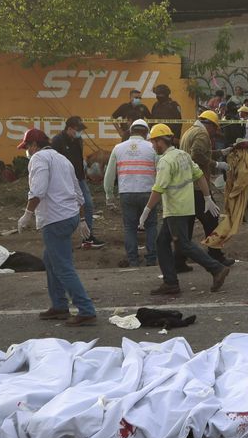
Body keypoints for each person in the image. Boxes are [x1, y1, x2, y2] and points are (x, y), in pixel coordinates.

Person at [16, 128, 96, 326]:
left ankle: (86, 309)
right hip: (68, 217)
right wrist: (83, 219)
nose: (27, 151)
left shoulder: (39, 159)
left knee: (62, 266)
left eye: (27, 147)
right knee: (50, 260)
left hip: (55, 218)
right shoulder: (62, 159)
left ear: (34, 145)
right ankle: (59, 305)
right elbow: (79, 193)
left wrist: (27, 214)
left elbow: (38, 190)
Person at [142, 123, 230, 295]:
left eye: (153, 142)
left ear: (161, 141)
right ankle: (171, 282)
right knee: (162, 243)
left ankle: (216, 268)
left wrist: (146, 211)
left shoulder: (165, 161)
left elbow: (158, 189)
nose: (153, 146)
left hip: (176, 209)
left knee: (183, 244)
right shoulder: (183, 155)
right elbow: (199, 176)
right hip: (182, 207)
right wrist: (206, 197)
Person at [103, 118, 159, 267]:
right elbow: (161, 172)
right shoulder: (152, 148)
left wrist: (109, 195)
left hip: (126, 193)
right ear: (147, 133)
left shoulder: (118, 148)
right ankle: (151, 259)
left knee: (130, 227)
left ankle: (133, 260)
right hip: (149, 193)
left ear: (130, 131)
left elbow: (109, 175)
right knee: (151, 225)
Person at [183, 109, 233, 266]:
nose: (214, 133)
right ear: (209, 125)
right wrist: (216, 164)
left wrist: (220, 152)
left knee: (188, 223)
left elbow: (202, 152)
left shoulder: (190, 131)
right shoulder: (202, 134)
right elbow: (196, 155)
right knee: (212, 220)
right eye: (215, 128)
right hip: (198, 186)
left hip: (187, 185)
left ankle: (179, 260)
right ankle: (215, 255)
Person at [51, 116, 103, 248]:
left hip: (79, 179)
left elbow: (78, 158)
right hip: (63, 180)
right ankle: (60, 238)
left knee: (88, 204)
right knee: (63, 208)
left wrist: (83, 171)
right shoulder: (57, 141)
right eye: (77, 129)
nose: (80, 132)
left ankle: (88, 238)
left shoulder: (78, 140)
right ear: (69, 128)